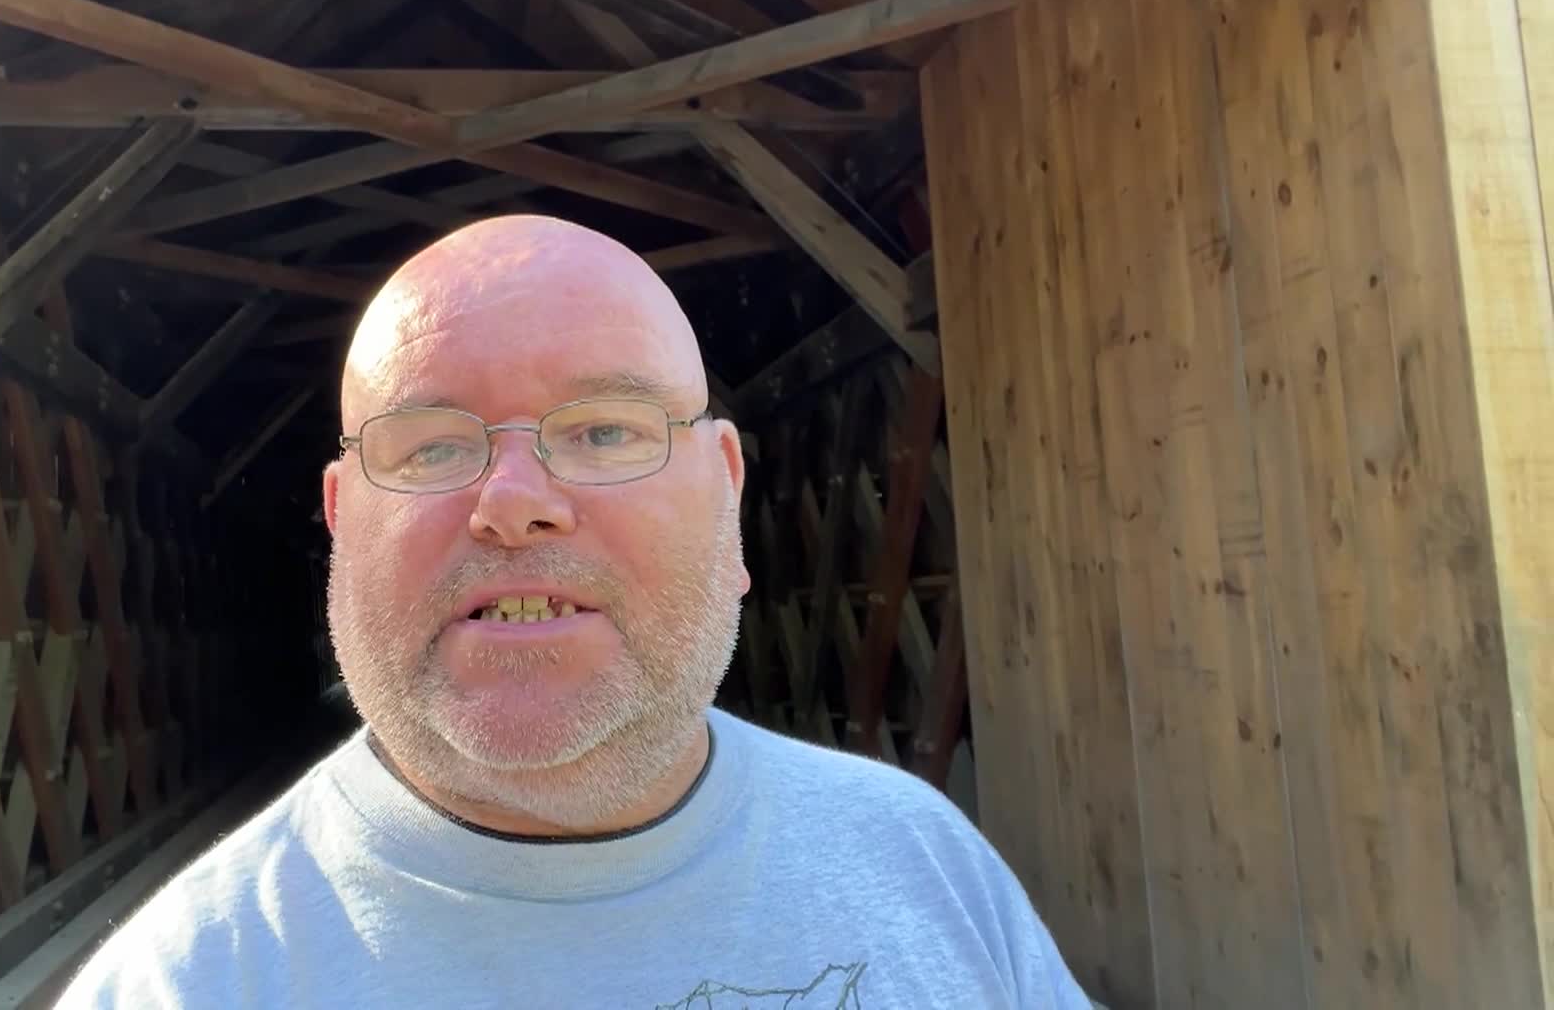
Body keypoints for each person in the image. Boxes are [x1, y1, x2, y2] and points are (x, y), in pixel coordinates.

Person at [57, 215, 1091, 1009]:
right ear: (341, 519)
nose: (512, 502)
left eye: (604, 431)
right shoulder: (184, 980)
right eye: (430, 445)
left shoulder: (928, 864)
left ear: (727, 493)